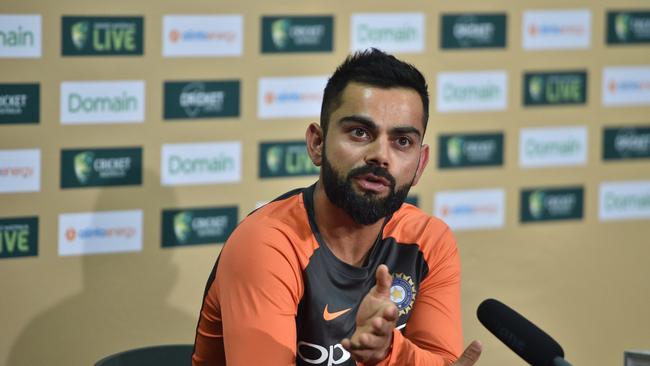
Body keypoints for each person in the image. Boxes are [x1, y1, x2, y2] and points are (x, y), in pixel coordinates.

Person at [192, 48, 482, 366]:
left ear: (420, 164)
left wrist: (389, 351)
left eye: (402, 142)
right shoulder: (267, 243)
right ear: (317, 144)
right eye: (360, 132)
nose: (380, 156)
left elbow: (442, 361)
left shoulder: (428, 240)